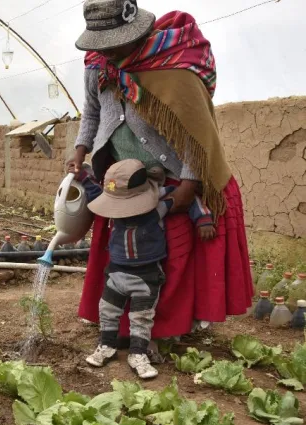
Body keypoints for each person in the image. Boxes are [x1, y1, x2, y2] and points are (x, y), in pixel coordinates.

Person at [68, 0, 254, 349]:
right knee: (125, 257)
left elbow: (196, 132)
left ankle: (166, 329)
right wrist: (80, 151)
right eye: (100, 44)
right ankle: (124, 326)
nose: (105, 51)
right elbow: (91, 113)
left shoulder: (173, 65)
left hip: (171, 177)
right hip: (123, 181)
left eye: (113, 42)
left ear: (134, 33)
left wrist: (190, 182)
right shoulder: (96, 65)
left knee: (168, 256)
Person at [75, 160, 214, 379]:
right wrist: (83, 175)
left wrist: (204, 220)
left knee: (142, 317)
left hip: (147, 276)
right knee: (108, 311)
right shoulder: (114, 210)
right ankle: (107, 346)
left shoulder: (158, 206)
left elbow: (188, 197)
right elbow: (95, 191)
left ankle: (138, 353)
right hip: (116, 273)